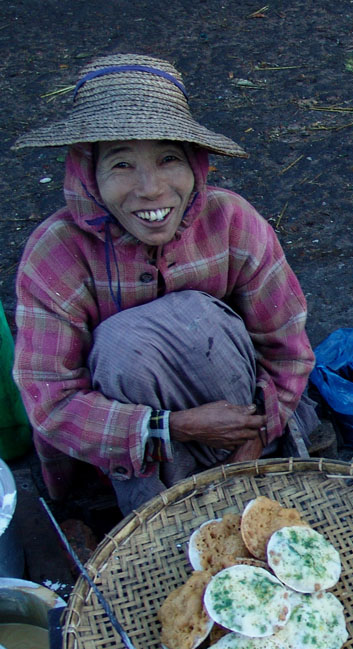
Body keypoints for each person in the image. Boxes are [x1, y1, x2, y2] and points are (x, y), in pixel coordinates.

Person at [11, 53, 318, 515]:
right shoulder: (55, 255)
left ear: (195, 165)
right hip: (130, 447)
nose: (151, 189)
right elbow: (51, 402)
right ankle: (161, 512)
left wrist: (250, 442)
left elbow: (288, 352)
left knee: (196, 317)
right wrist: (175, 428)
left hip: (238, 421)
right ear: (88, 174)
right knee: (123, 346)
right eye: (121, 165)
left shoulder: (233, 221)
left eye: (168, 158)